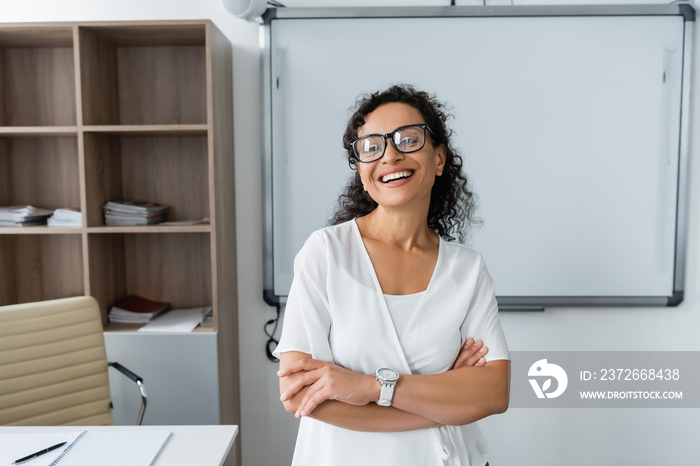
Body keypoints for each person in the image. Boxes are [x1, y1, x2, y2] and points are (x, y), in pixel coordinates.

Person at [274, 84, 510, 466]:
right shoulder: (326, 253)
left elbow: (494, 393)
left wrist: (367, 387)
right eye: (371, 146)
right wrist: (442, 402)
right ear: (362, 172)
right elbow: (299, 394)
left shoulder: (467, 269)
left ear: (438, 158)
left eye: (408, 139)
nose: (390, 155)